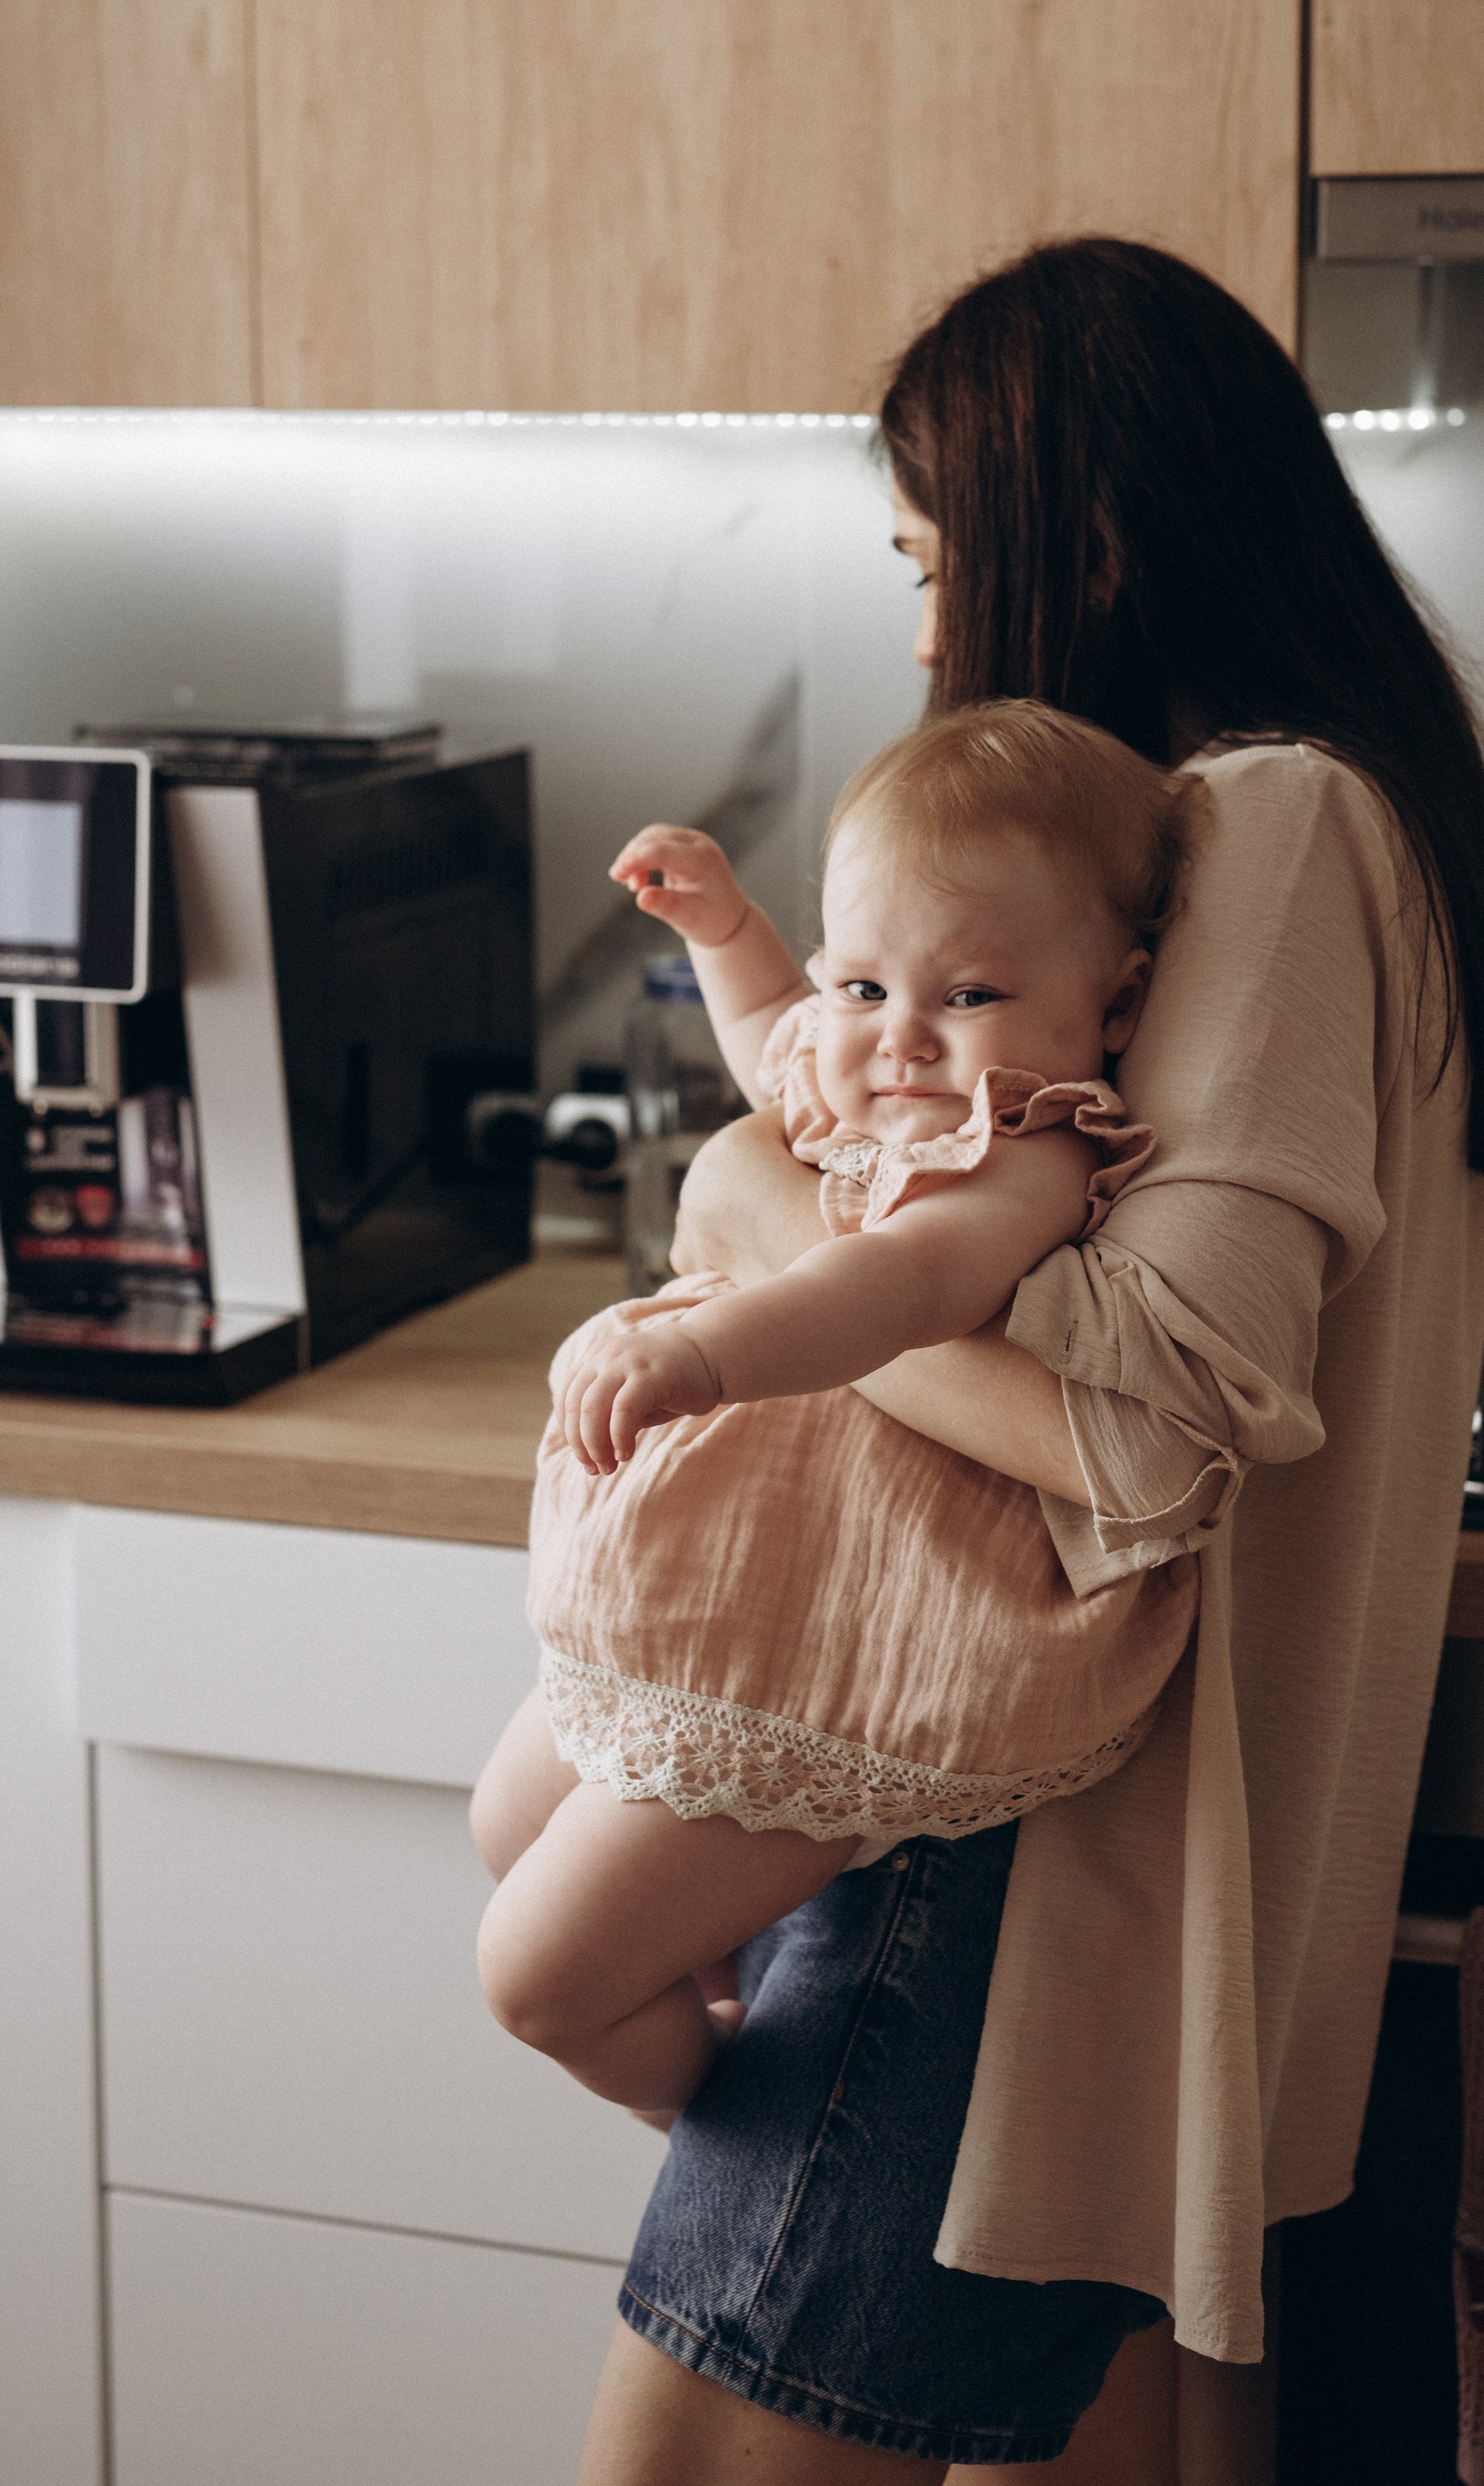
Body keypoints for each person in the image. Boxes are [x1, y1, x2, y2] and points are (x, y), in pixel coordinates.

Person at [570, 237, 1484, 2486]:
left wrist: (740, 1215)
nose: (932, 623)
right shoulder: (1307, 822)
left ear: (1076, 532)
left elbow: (1132, 1429)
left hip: (1012, 1874)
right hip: (1050, 1859)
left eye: (940, 557)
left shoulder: (1281, 819)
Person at [470, 702, 1201, 2121]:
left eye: (967, 996)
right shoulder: (864, 1052)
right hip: (733, 1583)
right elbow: (770, 1050)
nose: (899, 1042)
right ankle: (719, 1996)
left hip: (857, 1616)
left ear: (1113, 1005)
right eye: (863, 986)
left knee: (535, 1978)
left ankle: (725, 2130)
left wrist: (713, 1351)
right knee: (502, 1830)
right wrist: (724, 932)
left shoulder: (1034, 1147)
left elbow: (896, 1282)